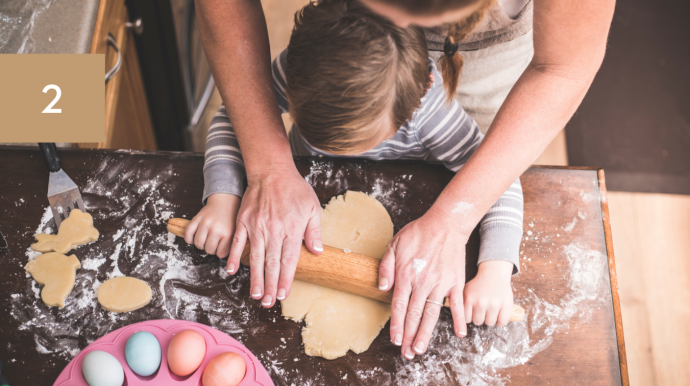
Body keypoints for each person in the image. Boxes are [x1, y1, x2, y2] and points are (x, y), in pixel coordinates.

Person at [195, 0, 614, 360]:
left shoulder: (428, 114)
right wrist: (232, 192)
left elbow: (501, 176)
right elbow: (238, 112)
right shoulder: (302, 72)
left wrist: (494, 271)